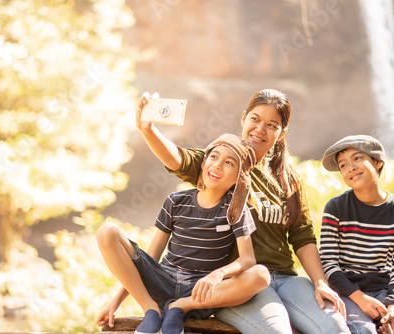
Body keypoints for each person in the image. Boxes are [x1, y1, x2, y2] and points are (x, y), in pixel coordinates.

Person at [136, 89, 349, 334]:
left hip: (287, 279)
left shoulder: (289, 177)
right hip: (240, 283)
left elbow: (302, 236)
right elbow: (178, 159)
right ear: (243, 118)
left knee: (336, 328)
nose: (260, 129)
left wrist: (321, 283)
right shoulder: (224, 165)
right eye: (255, 119)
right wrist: (148, 130)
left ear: (282, 133)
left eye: (272, 125)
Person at [95, 133, 271, 334]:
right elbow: (151, 257)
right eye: (214, 157)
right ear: (204, 162)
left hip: (200, 292)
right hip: (163, 280)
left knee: (261, 275)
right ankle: (151, 310)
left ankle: (179, 307)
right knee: (107, 231)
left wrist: (217, 275)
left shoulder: (236, 210)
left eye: (229, 163)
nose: (217, 165)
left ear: (238, 177)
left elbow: (248, 259)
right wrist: (115, 303)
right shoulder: (175, 201)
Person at [319, 134, 394, 334]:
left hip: (385, 291)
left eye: (357, 158)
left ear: (377, 162)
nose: (350, 168)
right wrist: (359, 298)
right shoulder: (336, 208)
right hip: (348, 292)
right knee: (364, 331)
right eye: (343, 165)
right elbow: (328, 263)